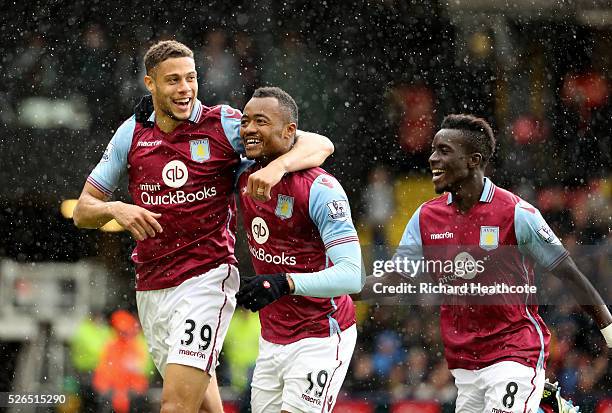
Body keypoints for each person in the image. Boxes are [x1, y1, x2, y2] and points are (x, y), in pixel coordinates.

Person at [72, 40, 334, 413]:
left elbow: (320, 144)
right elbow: (83, 210)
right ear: (150, 83)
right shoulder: (131, 134)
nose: (185, 89)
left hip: (206, 279)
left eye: (191, 78)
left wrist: (278, 167)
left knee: (176, 405)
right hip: (151, 285)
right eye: (173, 80)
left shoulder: (224, 123)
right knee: (201, 405)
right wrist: (118, 209)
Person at [365, 114, 611, 412]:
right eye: (433, 150)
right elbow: (393, 280)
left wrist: (609, 331)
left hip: (515, 352)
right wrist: (325, 286)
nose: (432, 159)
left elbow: (570, 274)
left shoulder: (516, 213)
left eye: (444, 151)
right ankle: (544, 407)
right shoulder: (424, 218)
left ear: (473, 160)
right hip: (466, 363)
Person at [235, 87, 363, 413]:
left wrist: (285, 282)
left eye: (260, 121)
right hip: (271, 339)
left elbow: (352, 276)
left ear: (290, 131)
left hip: (321, 335)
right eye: (245, 121)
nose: (248, 128)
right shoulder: (242, 171)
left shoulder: (320, 189)